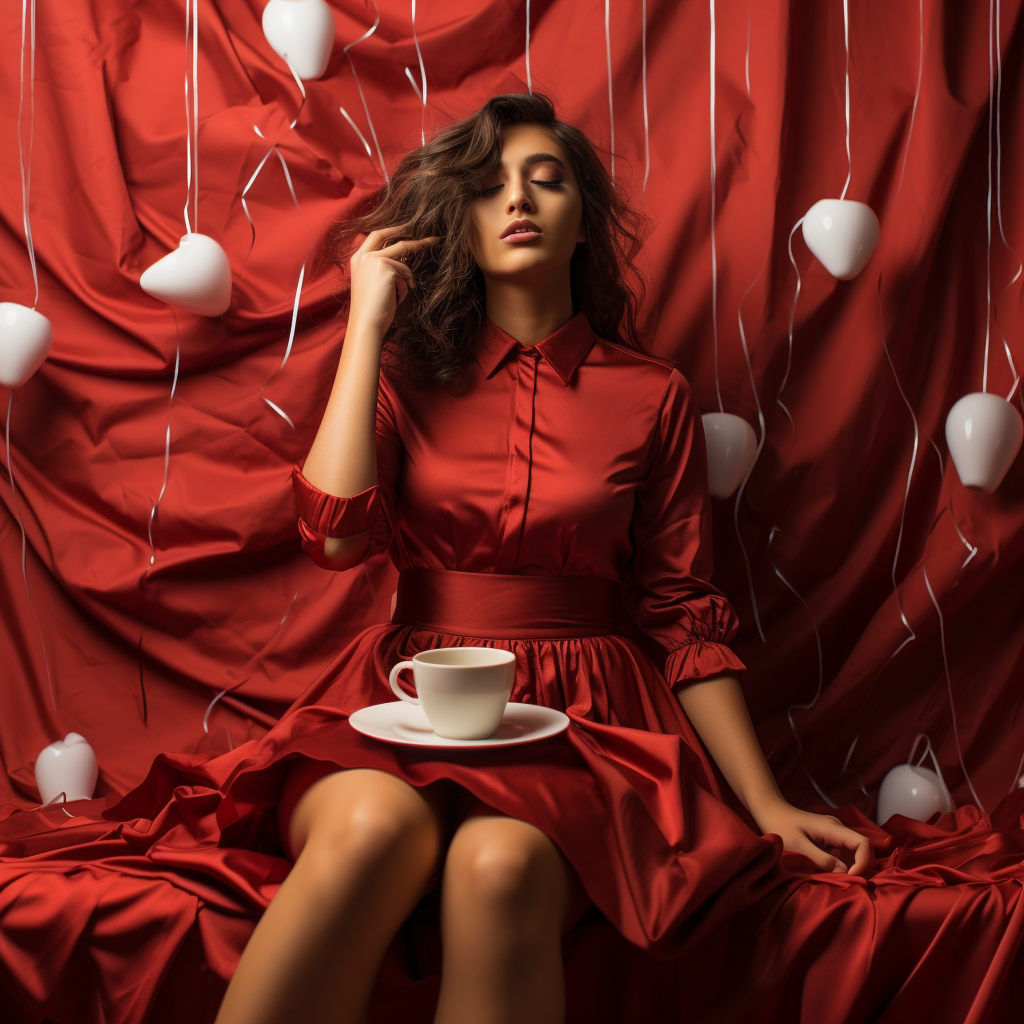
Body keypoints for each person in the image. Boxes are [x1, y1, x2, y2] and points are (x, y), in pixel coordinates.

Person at [212, 92, 873, 1024]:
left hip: (587, 719)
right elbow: (331, 537)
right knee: (367, 832)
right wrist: (364, 324)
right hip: (408, 698)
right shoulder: (398, 377)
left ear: (581, 223)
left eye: (545, 180)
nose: (516, 200)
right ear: (458, 223)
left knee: (501, 864)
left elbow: (681, 612)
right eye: (486, 188)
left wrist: (763, 802)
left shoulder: (654, 396)